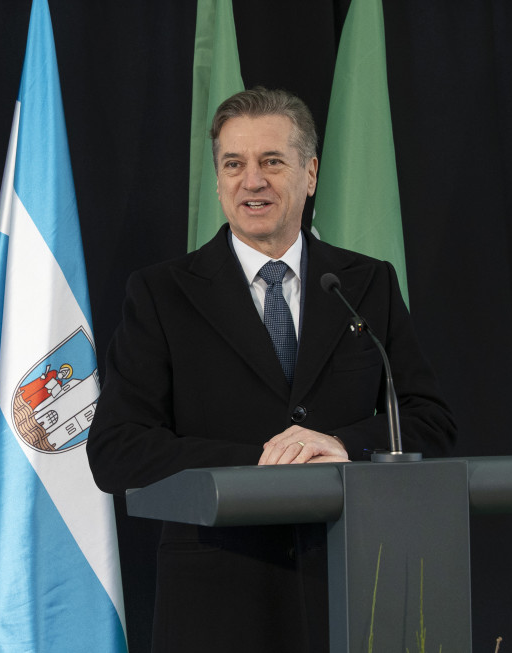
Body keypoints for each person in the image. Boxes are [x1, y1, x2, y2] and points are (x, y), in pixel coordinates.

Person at [86, 87, 456, 652]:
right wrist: (263, 463)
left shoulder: (366, 284)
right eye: (233, 164)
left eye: (272, 162)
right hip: (216, 604)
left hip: (350, 588)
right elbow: (118, 449)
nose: (251, 181)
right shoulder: (162, 294)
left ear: (310, 174)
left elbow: (430, 422)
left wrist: (342, 444)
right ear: (217, 181)